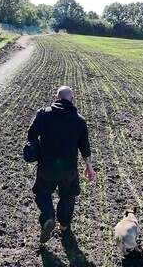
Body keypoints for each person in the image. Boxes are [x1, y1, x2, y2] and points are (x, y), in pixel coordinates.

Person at [27, 85, 96, 243]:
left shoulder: (43, 114)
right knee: (68, 197)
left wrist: (34, 148)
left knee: (43, 193)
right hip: (69, 170)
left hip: (46, 167)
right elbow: (85, 147)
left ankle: (48, 217)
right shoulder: (79, 120)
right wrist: (89, 167)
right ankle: (64, 227)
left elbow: (31, 134)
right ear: (72, 100)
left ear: (56, 98)